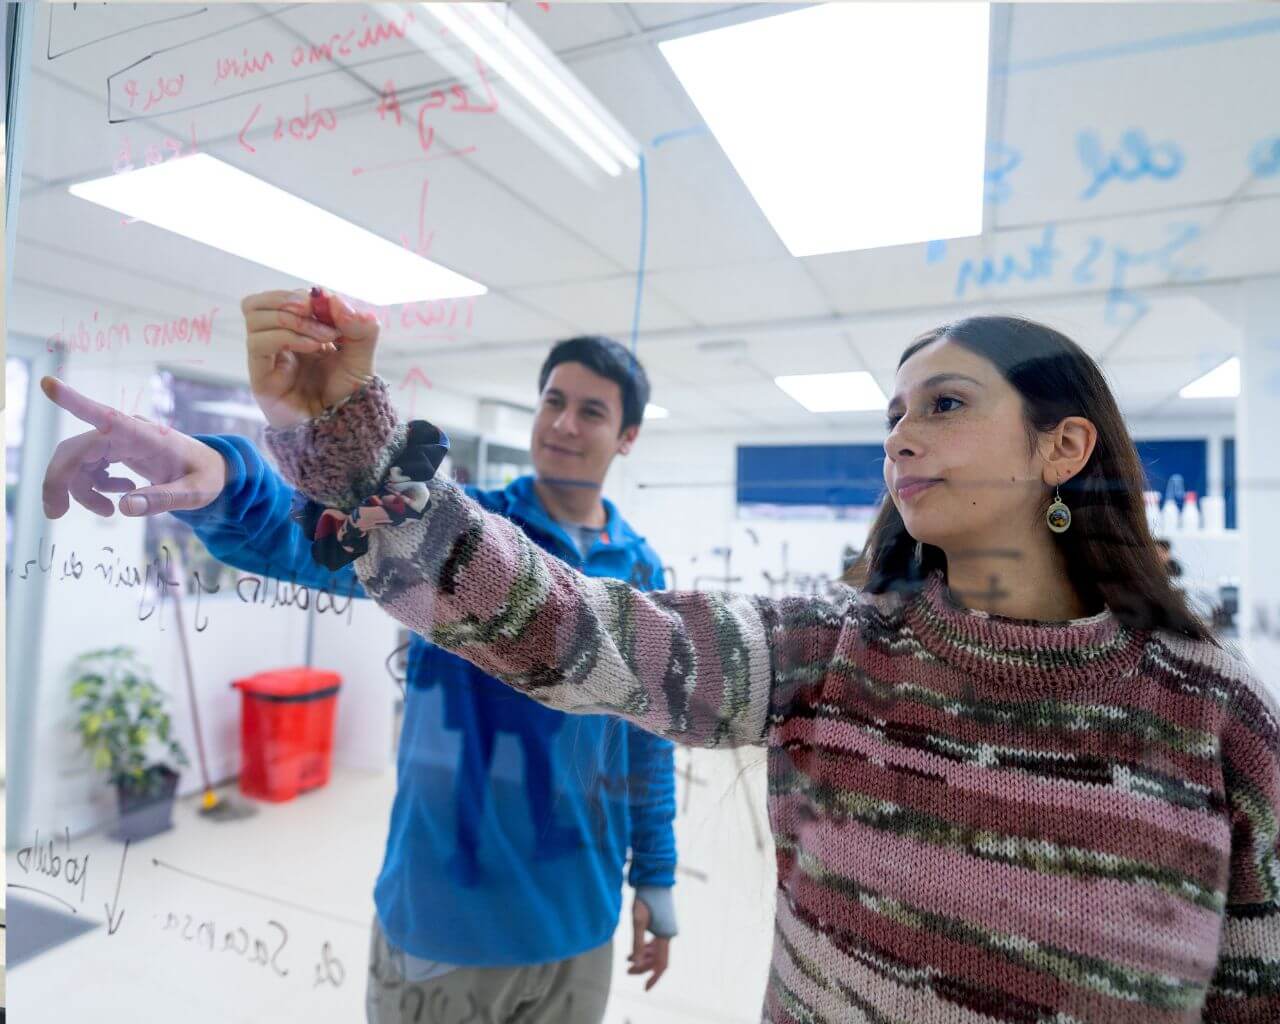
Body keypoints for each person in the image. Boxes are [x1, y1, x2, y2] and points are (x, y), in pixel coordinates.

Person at [49, 302, 1280, 1022]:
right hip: (444, 898)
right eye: (891, 414)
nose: (901, 436)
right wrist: (238, 472)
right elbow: (532, 620)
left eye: (942, 405)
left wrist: (654, 880)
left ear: (1064, 446)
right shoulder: (825, 647)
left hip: (574, 906)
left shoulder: (1217, 718)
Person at [41, 294, 678, 1024]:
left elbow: (645, 742)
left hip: (581, 924)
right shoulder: (464, 535)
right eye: (552, 401)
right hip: (446, 918)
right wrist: (224, 479)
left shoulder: (641, 573)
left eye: (591, 412)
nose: (563, 424)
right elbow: (309, 538)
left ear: (627, 436)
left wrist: (654, 880)